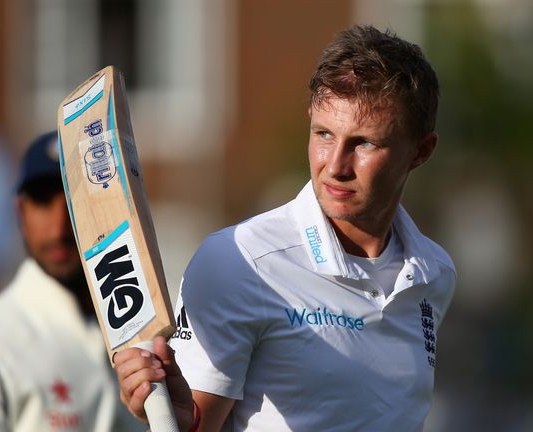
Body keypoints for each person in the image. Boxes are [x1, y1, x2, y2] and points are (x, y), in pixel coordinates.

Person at [114, 25, 456, 431]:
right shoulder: (238, 261)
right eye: (324, 134)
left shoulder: (434, 273)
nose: (336, 166)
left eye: (364, 143)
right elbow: (195, 424)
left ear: (421, 151)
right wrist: (175, 416)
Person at [0, 132, 140, 431]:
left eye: (76, 200)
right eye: (42, 200)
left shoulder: (140, 337)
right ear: (21, 213)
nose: (59, 225)